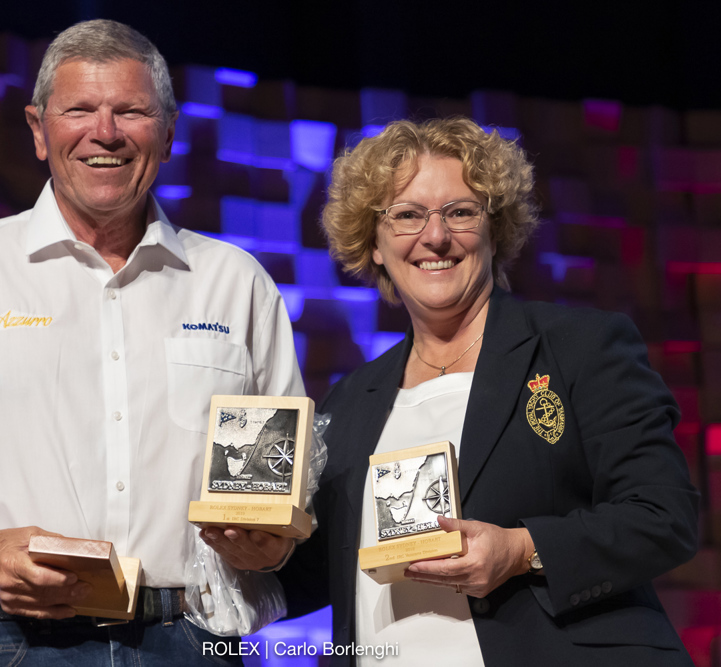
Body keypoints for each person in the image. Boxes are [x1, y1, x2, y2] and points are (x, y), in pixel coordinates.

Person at [0, 19, 300, 665]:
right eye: (80, 110)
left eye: (130, 110)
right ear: (39, 130)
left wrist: (275, 543)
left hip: (200, 639)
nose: (106, 132)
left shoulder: (237, 283)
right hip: (25, 641)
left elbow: (284, 490)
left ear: (170, 131)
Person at [278, 117, 699, 666]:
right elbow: (330, 575)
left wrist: (523, 550)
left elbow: (663, 515)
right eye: (406, 215)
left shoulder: (580, 347)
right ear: (373, 243)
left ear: (494, 229)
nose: (435, 237)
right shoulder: (350, 401)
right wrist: (263, 551)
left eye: (459, 212)